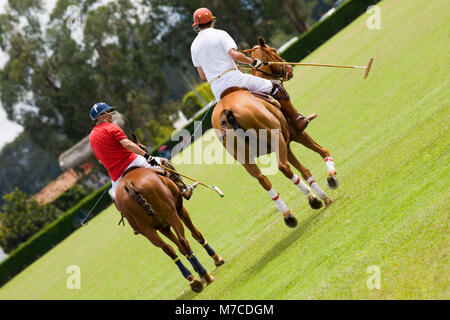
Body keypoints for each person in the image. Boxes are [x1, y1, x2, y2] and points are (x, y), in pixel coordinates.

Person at [190, 7, 317, 133]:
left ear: (197, 26)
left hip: (217, 90)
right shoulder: (220, 33)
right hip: (235, 80)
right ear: (212, 21)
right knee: (275, 86)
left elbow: (203, 76)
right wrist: (253, 62)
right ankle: (297, 120)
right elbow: (235, 55)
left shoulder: (194, 46)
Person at [88, 102, 197, 202]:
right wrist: (146, 156)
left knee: (119, 201)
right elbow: (127, 144)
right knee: (163, 163)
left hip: (116, 176)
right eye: (107, 113)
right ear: (100, 117)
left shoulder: (91, 138)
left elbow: (100, 161)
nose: (111, 115)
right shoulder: (111, 127)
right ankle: (184, 189)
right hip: (132, 162)